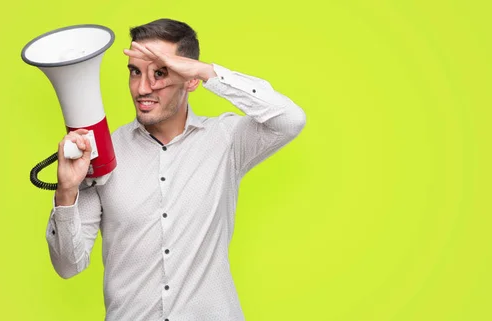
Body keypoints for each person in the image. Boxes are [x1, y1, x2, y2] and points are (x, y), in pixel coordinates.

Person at [46, 18, 306, 321]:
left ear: (189, 78)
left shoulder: (226, 140)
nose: (143, 88)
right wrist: (66, 192)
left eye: (161, 72)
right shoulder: (104, 152)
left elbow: (290, 119)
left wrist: (207, 72)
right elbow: (68, 266)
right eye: (135, 72)